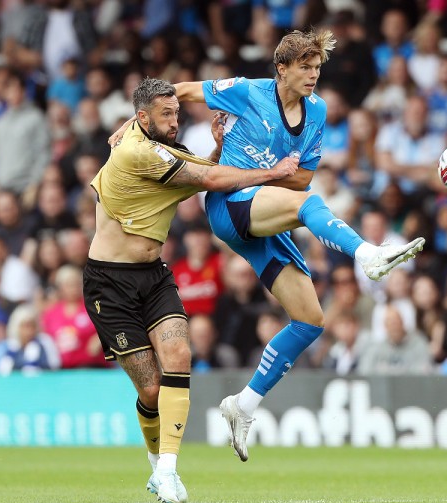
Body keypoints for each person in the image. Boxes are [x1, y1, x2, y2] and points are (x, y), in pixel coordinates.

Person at [170, 30, 426, 463]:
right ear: (281, 69)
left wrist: (277, 173)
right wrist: (135, 123)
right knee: (309, 204)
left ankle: (243, 406)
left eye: (317, 68)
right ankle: (368, 254)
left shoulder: (318, 110)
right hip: (229, 204)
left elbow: (302, 177)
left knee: (310, 320)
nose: (313, 76)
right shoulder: (248, 91)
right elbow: (180, 91)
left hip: (265, 213)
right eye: (305, 68)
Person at [87, 78, 298, 503]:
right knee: (149, 390)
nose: (175, 121)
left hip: (152, 275)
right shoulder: (135, 151)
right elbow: (209, 178)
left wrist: (218, 150)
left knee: (179, 355)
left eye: (177, 113)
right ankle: (155, 466)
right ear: (143, 117)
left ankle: (168, 470)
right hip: (109, 281)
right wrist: (273, 173)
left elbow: (198, 175)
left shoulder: (149, 141)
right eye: (166, 115)